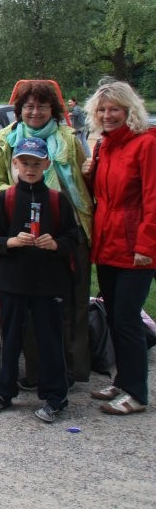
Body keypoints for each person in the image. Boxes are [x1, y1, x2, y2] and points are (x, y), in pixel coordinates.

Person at [0, 80, 93, 386]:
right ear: (19, 110)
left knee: (72, 303)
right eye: (28, 106)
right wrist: (26, 197)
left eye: (42, 106)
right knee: (32, 307)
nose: (35, 112)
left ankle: (71, 370)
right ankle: (36, 372)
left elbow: (86, 179)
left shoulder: (69, 138)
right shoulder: (6, 139)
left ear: (52, 110)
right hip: (26, 234)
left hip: (68, 228)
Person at [0, 137, 79, 423]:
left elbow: (72, 239)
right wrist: (11, 241)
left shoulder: (58, 201)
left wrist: (56, 244)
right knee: (10, 340)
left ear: (46, 164)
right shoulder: (5, 199)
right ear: (15, 164)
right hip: (13, 281)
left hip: (48, 283)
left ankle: (55, 396)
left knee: (50, 340)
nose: (30, 168)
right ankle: (3, 392)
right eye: (25, 163)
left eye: (36, 163)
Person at [82, 80, 156, 415]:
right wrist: (87, 174)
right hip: (108, 240)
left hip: (134, 244)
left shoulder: (146, 144)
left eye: (114, 109)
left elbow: (152, 199)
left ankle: (137, 393)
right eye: (102, 110)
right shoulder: (103, 146)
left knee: (127, 319)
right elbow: (101, 193)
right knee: (114, 316)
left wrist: (147, 244)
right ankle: (122, 380)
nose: (108, 115)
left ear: (129, 110)